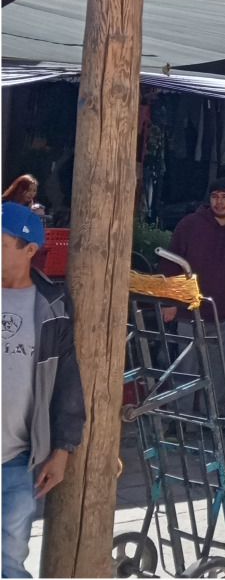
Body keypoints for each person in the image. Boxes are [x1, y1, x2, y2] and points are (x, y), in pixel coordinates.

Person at [2, 202, 84, 579]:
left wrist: (63, 450)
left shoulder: (52, 306)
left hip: (17, 461)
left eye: (1, 244)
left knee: (10, 562)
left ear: (29, 249)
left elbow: (68, 380)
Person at [160, 178, 225, 407]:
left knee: (220, 373)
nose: (219, 202)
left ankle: (211, 421)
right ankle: (180, 423)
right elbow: (170, 263)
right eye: (215, 196)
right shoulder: (190, 225)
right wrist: (168, 301)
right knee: (185, 371)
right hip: (190, 312)